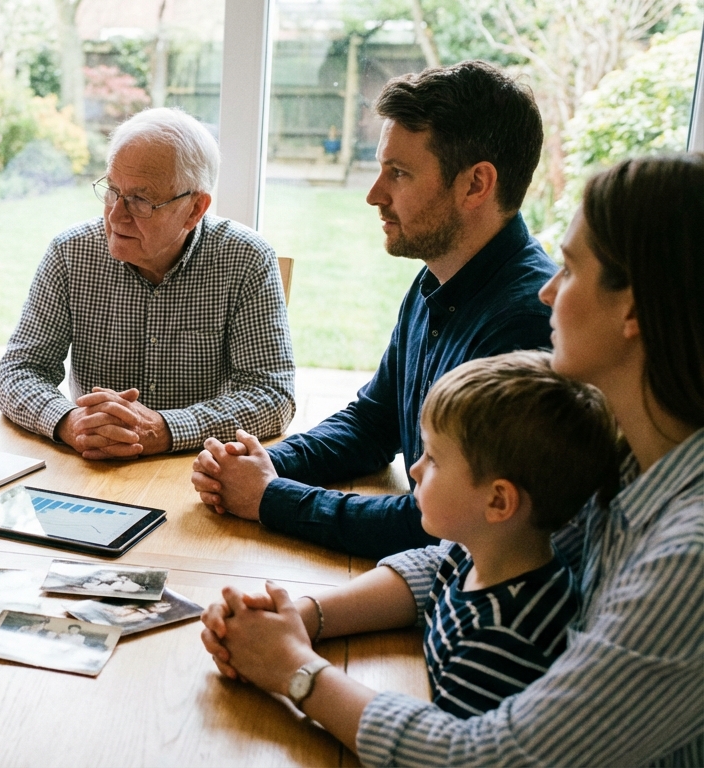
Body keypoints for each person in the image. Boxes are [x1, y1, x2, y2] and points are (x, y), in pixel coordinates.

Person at [201, 154, 704, 765]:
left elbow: (487, 757)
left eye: (569, 270)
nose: (548, 290)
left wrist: (294, 672)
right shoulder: (631, 452)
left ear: (634, 310)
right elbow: (459, 556)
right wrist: (304, 616)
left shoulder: (690, 556)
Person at [191, 61, 556, 558]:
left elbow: (443, 527)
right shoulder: (439, 276)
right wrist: (264, 462)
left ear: (475, 185)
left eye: (399, 173)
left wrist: (270, 497)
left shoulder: (525, 324)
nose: (373, 195)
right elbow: (374, 423)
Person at [225, 351, 619, 723]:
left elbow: (447, 744)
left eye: (433, 458)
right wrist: (298, 618)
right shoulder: (475, 555)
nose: (413, 469)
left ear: (498, 501)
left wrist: (291, 664)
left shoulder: (504, 638)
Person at [0, 107, 294, 460]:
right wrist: (69, 421)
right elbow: (19, 371)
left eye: (140, 200)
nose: (116, 215)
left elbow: (272, 395)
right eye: (112, 190)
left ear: (195, 209)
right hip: (94, 463)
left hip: (197, 467)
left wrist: (164, 429)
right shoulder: (70, 253)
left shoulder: (245, 259)